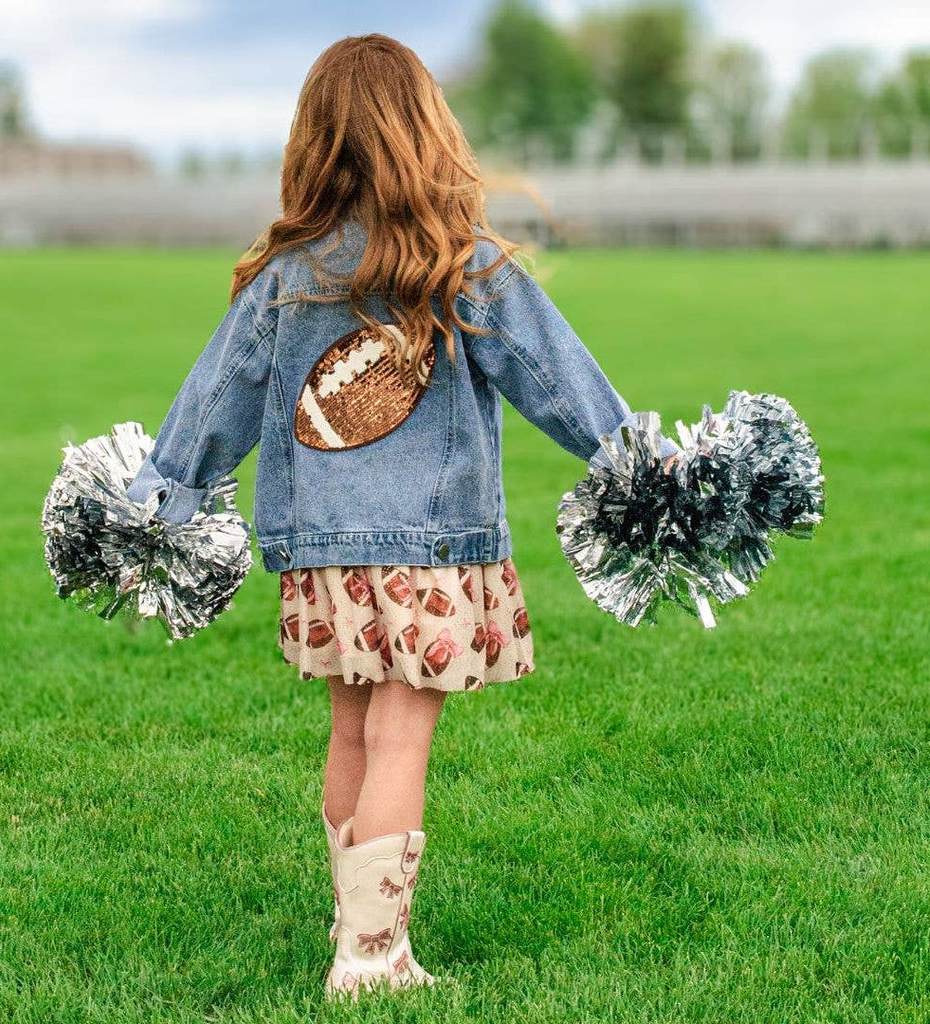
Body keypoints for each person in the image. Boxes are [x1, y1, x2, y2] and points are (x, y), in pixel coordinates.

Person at [124, 33, 680, 1002]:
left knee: (352, 736)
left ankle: (356, 928)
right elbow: (559, 381)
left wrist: (153, 499)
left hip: (320, 557)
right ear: (427, 131)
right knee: (401, 741)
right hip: (430, 552)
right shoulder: (461, 264)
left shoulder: (285, 277)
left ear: (315, 143)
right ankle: (372, 960)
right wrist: (642, 462)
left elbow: (213, 405)